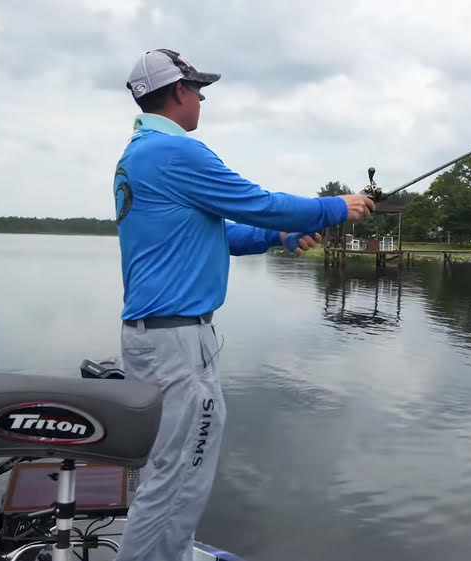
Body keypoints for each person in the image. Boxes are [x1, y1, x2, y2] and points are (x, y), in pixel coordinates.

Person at [111, 48, 375, 561]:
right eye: (199, 89)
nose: (203, 98)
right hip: (177, 343)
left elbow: (216, 235)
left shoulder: (137, 156)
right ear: (180, 92)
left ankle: (176, 552)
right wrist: (335, 207)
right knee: (178, 470)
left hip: (160, 337)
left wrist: (277, 235)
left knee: (180, 462)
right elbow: (257, 200)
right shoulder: (177, 152)